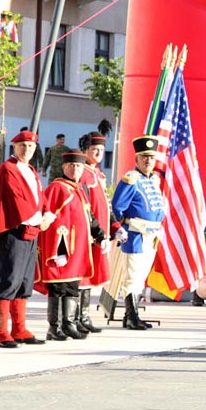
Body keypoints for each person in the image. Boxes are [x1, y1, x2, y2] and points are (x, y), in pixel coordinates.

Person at [0, 128, 49, 348]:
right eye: (23, 145)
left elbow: (38, 197)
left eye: (31, 146)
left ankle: (19, 328)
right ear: (14, 147)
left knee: (24, 281)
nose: (27, 149)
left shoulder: (30, 169)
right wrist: (38, 216)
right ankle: (1, 332)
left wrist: (46, 212)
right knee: (9, 280)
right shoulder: (8, 169)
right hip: (14, 230)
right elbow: (15, 200)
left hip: (31, 230)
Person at [36, 151, 104, 341]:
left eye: (79, 166)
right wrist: (58, 250)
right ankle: (54, 327)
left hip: (78, 249)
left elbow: (88, 217)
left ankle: (69, 323)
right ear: (64, 167)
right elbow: (52, 221)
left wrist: (100, 235)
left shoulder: (79, 189)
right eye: (72, 166)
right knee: (58, 287)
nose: (75, 169)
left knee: (72, 286)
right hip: (62, 248)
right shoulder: (57, 188)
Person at [109, 136, 166, 330]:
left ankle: (131, 315)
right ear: (137, 159)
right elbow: (117, 207)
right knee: (132, 276)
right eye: (143, 157)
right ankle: (132, 316)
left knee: (141, 276)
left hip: (152, 236)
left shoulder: (154, 180)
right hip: (135, 236)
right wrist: (122, 228)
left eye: (150, 157)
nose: (148, 161)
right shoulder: (131, 179)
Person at [77, 133, 111, 334]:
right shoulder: (84, 173)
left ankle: (84, 315)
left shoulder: (98, 173)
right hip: (89, 232)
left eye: (100, 150)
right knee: (83, 274)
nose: (98, 153)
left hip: (100, 232)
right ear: (86, 150)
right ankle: (77, 317)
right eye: (94, 150)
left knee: (91, 274)